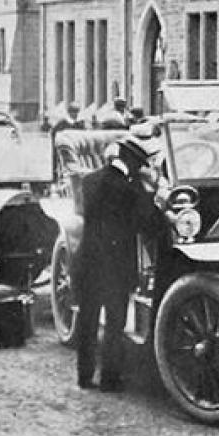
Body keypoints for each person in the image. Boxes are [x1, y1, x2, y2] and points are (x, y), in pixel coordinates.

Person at [73, 126, 169, 392]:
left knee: (87, 320)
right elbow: (150, 225)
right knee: (115, 324)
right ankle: (109, 379)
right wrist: (157, 199)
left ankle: (84, 376)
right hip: (116, 268)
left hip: (88, 264)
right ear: (133, 163)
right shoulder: (132, 191)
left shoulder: (90, 181)